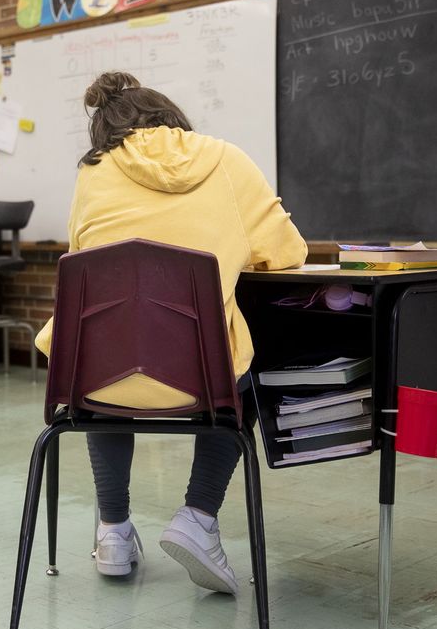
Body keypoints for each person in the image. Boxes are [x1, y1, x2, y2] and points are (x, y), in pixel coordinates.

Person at [34, 71, 307, 594]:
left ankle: (112, 530)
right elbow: (289, 251)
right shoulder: (225, 160)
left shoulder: (92, 173)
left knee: (105, 359)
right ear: (175, 121)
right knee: (246, 367)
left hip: (96, 379)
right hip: (202, 382)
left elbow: (84, 263)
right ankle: (198, 517)